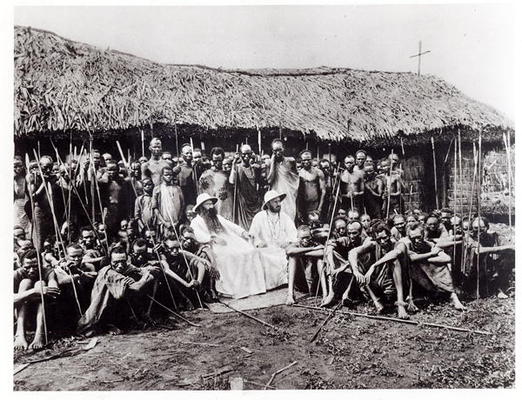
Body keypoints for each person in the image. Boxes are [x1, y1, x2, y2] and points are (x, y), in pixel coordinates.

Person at [191, 193, 287, 299]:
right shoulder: (196, 221)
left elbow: (231, 226)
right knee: (232, 256)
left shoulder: (217, 217)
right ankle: (235, 289)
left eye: (211, 204)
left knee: (251, 252)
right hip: (214, 245)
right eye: (208, 205)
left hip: (231, 241)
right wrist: (211, 238)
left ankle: (254, 288)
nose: (211, 207)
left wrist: (243, 233)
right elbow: (198, 235)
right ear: (201, 207)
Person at [77, 245, 160, 335]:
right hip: (104, 305)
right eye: (116, 262)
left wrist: (146, 269)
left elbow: (137, 269)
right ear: (110, 261)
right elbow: (136, 287)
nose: (120, 265)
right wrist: (145, 277)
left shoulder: (125, 266)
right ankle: (107, 325)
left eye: (123, 261)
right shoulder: (110, 273)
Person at [347, 223, 410, 319]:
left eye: (385, 238)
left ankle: (400, 305)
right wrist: (356, 271)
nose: (382, 241)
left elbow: (395, 253)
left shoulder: (399, 244)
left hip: (398, 286)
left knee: (394, 261)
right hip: (381, 285)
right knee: (357, 263)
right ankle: (376, 301)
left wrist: (374, 265)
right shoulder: (375, 244)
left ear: (390, 235)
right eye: (379, 239)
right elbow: (352, 252)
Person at [403, 223, 466, 310]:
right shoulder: (407, 244)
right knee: (413, 265)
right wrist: (431, 254)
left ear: (423, 235)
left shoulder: (429, 244)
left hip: (429, 274)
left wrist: (425, 260)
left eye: (419, 237)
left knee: (442, 266)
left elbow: (447, 258)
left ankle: (453, 296)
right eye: (413, 238)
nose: (416, 240)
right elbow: (412, 258)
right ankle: (413, 298)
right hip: (415, 276)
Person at [14, 249, 60, 350]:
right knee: (25, 282)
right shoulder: (17, 274)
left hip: (43, 315)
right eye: (27, 267)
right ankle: (20, 333)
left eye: (35, 266)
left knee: (41, 283)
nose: (31, 270)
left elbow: (54, 288)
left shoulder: (47, 271)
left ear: (40, 263)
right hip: (23, 315)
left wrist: (50, 287)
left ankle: (40, 334)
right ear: (20, 265)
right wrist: (34, 291)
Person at [285, 225, 326, 305]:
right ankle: (290, 295)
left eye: (307, 237)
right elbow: (289, 251)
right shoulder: (296, 245)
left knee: (320, 259)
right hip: (301, 283)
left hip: (315, 284)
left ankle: (325, 294)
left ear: (311, 236)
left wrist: (302, 253)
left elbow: (322, 252)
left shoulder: (315, 243)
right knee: (292, 257)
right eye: (302, 238)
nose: (305, 240)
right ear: (297, 237)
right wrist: (312, 249)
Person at [229, 144, 262, 230]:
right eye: (244, 154)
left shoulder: (254, 168)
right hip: (243, 203)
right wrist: (233, 165)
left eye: (249, 153)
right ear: (240, 154)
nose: (246, 156)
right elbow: (232, 181)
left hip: (255, 203)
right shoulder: (237, 167)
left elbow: (259, 183)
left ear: (252, 154)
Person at [266, 139, 299, 221]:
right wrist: (273, 163)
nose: (278, 152)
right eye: (275, 150)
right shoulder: (269, 163)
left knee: (289, 217)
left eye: (279, 149)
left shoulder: (290, 161)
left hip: (289, 195)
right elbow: (269, 180)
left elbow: (295, 178)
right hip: (276, 194)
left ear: (283, 148)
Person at [99, 161, 132, 240]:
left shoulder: (122, 182)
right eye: (109, 170)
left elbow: (126, 198)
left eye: (114, 170)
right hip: (109, 210)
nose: (112, 172)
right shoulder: (104, 182)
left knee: (121, 232)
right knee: (109, 232)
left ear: (118, 170)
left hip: (120, 209)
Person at [199, 147, 234, 220]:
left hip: (225, 206)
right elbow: (202, 193)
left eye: (219, 160)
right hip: (212, 205)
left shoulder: (227, 174)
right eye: (215, 161)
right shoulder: (205, 175)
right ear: (211, 160)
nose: (217, 163)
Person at [152, 166, 185, 234]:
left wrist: (178, 220)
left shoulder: (177, 188)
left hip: (177, 223)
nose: (169, 176)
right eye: (166, 174)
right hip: (164, 224)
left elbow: (182, 205)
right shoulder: (157, 189)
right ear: (162, 175)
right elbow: (155, 208)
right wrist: (165, 223)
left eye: (170, 174)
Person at [297, 150, 326, 225]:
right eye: (304, 160)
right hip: (303, 205)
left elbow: (323, 191)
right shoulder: (298, 174)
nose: (306, 162)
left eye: (308, 159)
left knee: (316, 225)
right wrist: (298, 210)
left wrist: (320, 207)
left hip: (315, 204)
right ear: (301, 161)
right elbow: (296, 193)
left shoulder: (318, 172)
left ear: (312, 159)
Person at [14, 156, 31, 236]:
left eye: (20, 166)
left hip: (24, 205)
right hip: (15, 206)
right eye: (15, 166)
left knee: (26, 229)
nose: (18, 168)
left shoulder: (25, 178)